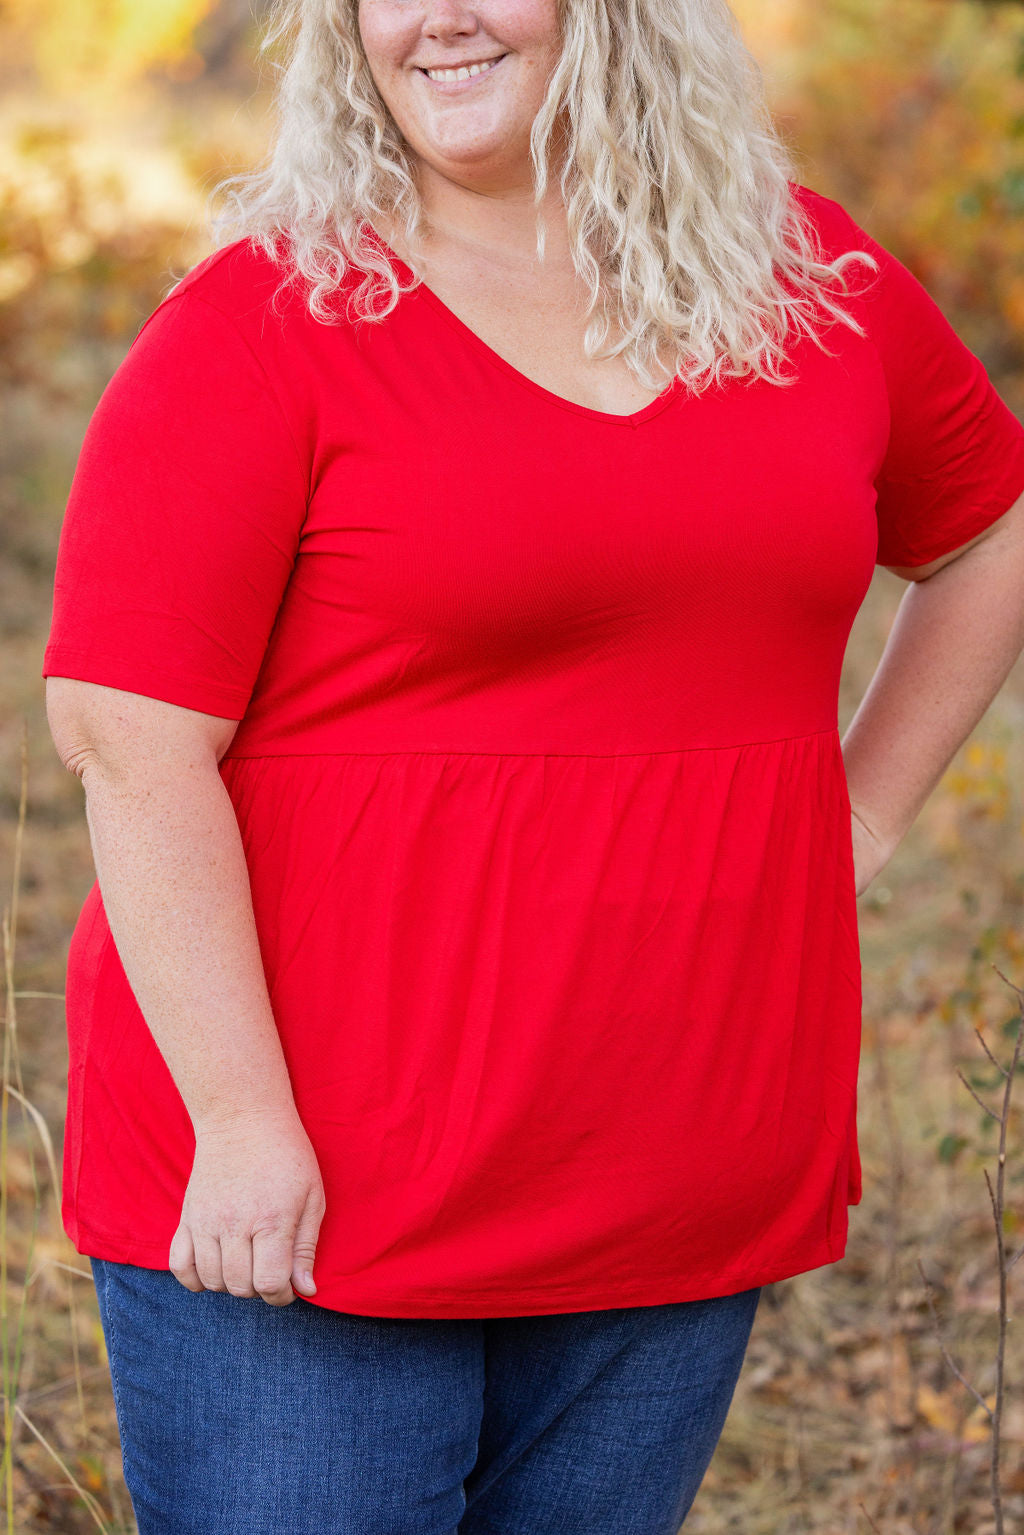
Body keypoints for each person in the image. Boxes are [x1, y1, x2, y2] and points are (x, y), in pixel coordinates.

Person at [41, 0, 1024, 1531]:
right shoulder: (265, 323)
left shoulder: (802, 281)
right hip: (314, 1195)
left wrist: (859, 818)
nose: (433, 19)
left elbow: (987, 530)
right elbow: (129, 737)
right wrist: (239, 1121)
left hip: (680, 1157)